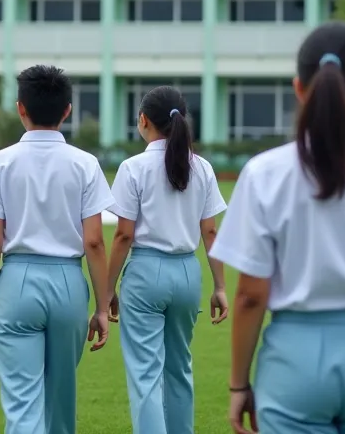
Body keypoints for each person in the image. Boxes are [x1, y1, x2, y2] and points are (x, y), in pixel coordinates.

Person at [210, 21, 345, 434]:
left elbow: (250, 295)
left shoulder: (265, 172)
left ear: (299, 88)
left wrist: (239, 383)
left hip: (294, 358)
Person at [0, 64, 114, 434]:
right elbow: (95, 241)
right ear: (67, 110)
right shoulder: (86, 164)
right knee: (60, 401)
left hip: (16, 281)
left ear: (21, 108)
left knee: (21, 403)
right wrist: (101, 305)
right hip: (68, 282)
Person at [105, 85, 228, 434]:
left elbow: (124, 235)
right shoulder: (201, 167)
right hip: (188, 273)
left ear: (143, 120)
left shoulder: (133, 168)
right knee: (179, 369)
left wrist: (107, 289)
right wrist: (219, 286)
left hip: (145, 272)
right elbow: (211, 233)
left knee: (145, 374)